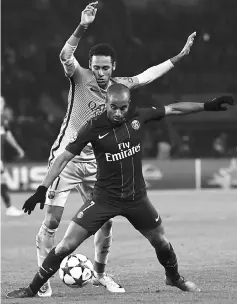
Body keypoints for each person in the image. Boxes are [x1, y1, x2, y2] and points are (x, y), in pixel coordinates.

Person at [6, 84, 234, 299]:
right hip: (104, 199)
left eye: (123, 108)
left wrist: (207, 105)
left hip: (137, 198)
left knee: (161, 242)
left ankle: (173, 278)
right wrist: (42, 189)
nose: (118, 112)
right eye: (113, 107)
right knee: (66, 245)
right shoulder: (92, 127)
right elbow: (64, 157)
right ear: (105, 103)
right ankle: (32, 289)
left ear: (129, 104)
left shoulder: (138, 116)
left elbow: (173, 108)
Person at [36, 1, 197, 296]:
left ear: (113, 68)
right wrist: (83, 25)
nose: (99, 72)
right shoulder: (78, 75)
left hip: (98, 162)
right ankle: (43, 277)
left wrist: (179, 57)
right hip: (68, 158)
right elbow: (64, 55)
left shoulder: (120, 88)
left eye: (105, 68)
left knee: (105, 224)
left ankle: (99, 274)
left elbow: (148, 75)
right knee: (53, 220)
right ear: (90, 65)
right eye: (95, 67)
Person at [0, 96, 25, 216]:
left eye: (2, 102)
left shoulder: (2, 119)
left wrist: (18, 148)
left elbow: (7, 134)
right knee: (2, 179)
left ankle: (9, 207)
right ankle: (9, 208)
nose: (2, 104)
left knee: (3, 179)